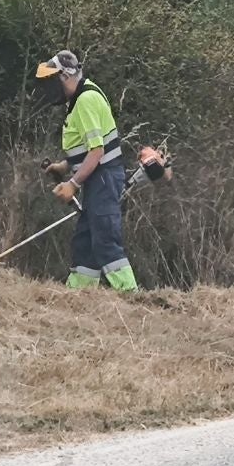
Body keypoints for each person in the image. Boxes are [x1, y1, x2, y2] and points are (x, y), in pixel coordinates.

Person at [36, 50, 137, 292]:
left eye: (53, 81)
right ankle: (78, 293)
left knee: (105, 239)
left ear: (65, 77)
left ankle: (131, 295)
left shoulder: (85, 101)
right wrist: (64, 166)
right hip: (97, 177)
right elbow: (85, 149)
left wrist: (73, 183)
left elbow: (97, 152)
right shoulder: (79, 99)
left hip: (103, 178)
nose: (50, 89)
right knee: (85, 239)